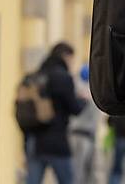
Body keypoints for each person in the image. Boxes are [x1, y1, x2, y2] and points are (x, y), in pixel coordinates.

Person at [25, 42, 86, 184]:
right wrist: (83, 100)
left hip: (35, 140)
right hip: (57, 142)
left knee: (32, 181)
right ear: (65, 56)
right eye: (71, 59)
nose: (72, 63)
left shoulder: (37, 75)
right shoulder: (64, 78)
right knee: (68, 180)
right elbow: (74, 108)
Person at [69, 65, 99, 184]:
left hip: (81, 135)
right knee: (79, 172)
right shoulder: (87, 91)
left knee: (82, 171)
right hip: (81, 135)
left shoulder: (75, 89)